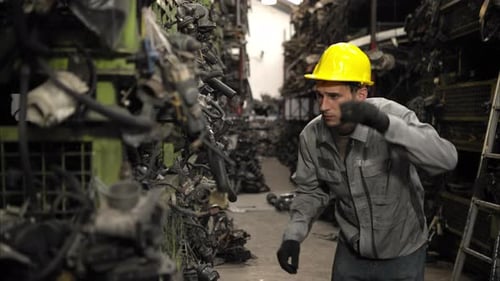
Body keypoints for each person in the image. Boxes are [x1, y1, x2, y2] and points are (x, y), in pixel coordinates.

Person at [276, 42, 458, 281]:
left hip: (403, 253)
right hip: (352, 254)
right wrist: (293, 235)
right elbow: (311, 191)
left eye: (334, 96)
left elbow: (446, 159)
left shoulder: (395, 117)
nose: (323, 106)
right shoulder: (312, 136)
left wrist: (385, 125)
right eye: (319, 95)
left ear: (360, 94)